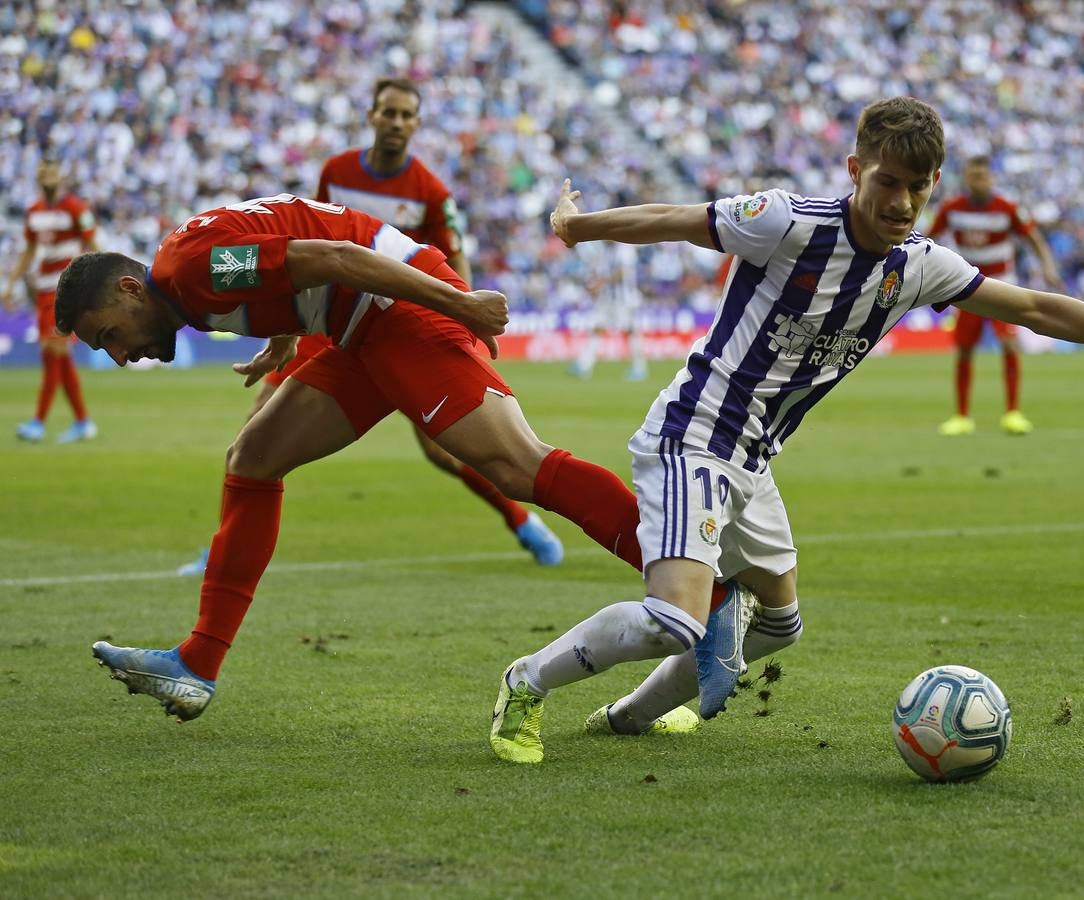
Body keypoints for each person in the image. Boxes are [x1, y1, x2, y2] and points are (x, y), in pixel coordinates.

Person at [489, 96, 1084, 764]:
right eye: (887, 182)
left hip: (753, 456)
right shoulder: (786, 222)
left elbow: (1035, 308)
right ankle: (526, 682)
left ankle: (627, 719)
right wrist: (578, 226)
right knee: (675, 621)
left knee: (779, 627)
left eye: (918, 186)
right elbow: (678, 220)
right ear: (856, 170)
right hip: (696, 432)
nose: (902, 202)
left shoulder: (918, 267)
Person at [62, 192, 746, 722]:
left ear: (127, 290)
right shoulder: (188, 278)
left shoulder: (190, 268)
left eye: (111, 337)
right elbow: (286, 264)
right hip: (353, 327)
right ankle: (197, 663)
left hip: (396, 304)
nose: (122, 355)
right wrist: (280, 338)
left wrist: (460, 305)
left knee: (516, 465)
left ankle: (708, 596)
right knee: (253, 457)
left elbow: (332, 259)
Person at [176, 78, 561, 577]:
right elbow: (309, 234)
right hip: (322, 318)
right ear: (372, 116)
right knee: (254, 431)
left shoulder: (429, 191)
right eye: (389, 112)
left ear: (416, 124)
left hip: (396, 321)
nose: (397, 122)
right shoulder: (336, 172)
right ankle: (221, 550)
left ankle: (521, 522)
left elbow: (454, 256)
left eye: (406, 115)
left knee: (444, 451)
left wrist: (462, 315)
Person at [926, 155, 1065, 436]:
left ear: (992, 178)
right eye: (973, 176)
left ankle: (1012, 413)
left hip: (1003, 287)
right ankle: (962, 416)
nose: (979, 181)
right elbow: (929, 239)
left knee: (1009, 344)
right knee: (964, 348)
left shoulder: (1006, 208)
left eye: (983, 176)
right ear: (966, 178)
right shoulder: (952, 208)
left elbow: (1033, 238)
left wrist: (1048, 267)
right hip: (966, 286)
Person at [3, 158, 99, 444]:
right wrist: (10, 284)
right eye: (44, 172)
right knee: (56, 355)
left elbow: (93, 245)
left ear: (60, 177)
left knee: (53, 350)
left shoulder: (75, 208)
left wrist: (98, 281)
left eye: (53, 172)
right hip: (44, 291)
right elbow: (29, 251)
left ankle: (39, 422)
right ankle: (83, 421)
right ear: (38, 177)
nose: (49, 177)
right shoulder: (34, 212)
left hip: (66, 289)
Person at [568, 239, 648, 381]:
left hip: (623, 299)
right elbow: (600, 271)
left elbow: (622, 273)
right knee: (598, 328)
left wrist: (601, 283)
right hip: (607, 299)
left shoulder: (624, 250)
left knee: (629, 331)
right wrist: (594, 286)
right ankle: (584, 365)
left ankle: (639, 368)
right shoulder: (605, 250)